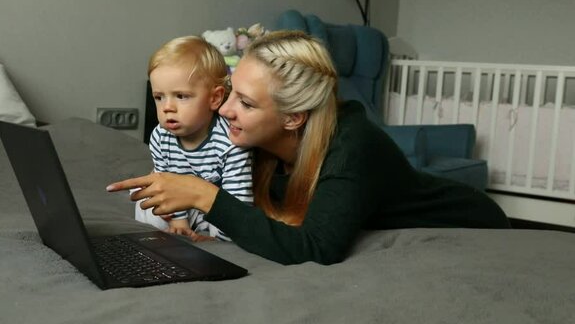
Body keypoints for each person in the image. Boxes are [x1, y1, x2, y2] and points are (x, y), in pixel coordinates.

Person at [107, 31, 510, 265]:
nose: (225, 110)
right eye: (231, 94)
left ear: (293, 119)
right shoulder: (252, 142)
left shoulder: (352, 148)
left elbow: (316, 247)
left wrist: (203, 195)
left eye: (246, 104)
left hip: (470, 223)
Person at [136, 35, 253, 242]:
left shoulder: (230, 141)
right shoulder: (160, 137)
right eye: (159, 97)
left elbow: (238, 201)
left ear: (214, 98)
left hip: (218, 205)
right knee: (146, 196)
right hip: (182, 201)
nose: (167, 107)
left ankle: (218, 239)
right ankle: (171, 235)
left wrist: (222, 239)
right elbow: (168, 182)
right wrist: (178, 221)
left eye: (181, 96)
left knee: (231, 223)